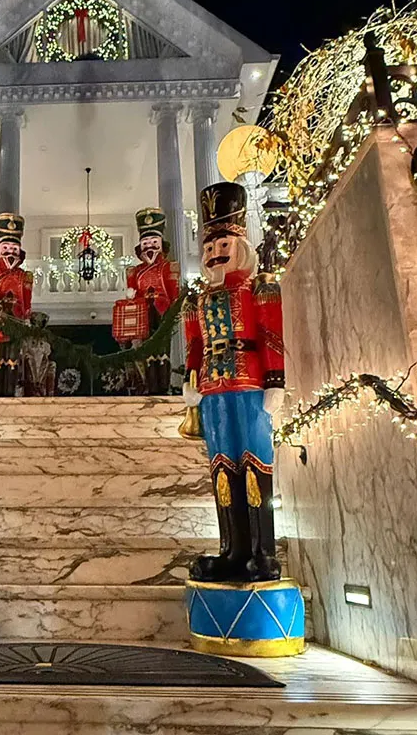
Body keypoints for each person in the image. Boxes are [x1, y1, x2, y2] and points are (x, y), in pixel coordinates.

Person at [182, 182, 285, 583]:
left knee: (254, 462)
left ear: (239, 244)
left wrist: (275, 380)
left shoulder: (260, 287)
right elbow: (195, 344)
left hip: (250, 384)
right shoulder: (199, 299)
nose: (214, 253)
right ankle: (232, 550)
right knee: (222, 466)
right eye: (209, 247)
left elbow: (271, 334)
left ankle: (263, 552)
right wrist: (191, 381)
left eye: (222, 244)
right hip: (212, 390)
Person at [114, 208, 180, 394]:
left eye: (154, 242)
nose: (149, 247)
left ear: (161, 244)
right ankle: (149, 385)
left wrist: (174, 310)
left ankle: (163, 386)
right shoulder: (134, 272)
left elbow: (174, 292)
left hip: (162, 311)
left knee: (162, 350)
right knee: (146, 350)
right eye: (146, 243)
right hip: (143, 313)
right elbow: (132, 293)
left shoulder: (168, 267)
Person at [0, 213, 33, 397]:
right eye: (6, 247)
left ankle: (9, 392)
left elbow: (26, 300)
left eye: (14, 248)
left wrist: (26, 317)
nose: (10, 252)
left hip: (16, 321)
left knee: (13, 358)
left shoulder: (24, 276)